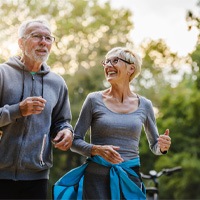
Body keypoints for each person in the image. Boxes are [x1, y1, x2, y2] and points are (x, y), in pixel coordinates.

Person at [53, 47, 171, 200]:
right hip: (96, 179)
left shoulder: (145, 105)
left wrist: (162, 147)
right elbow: (74, 141)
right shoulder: (93, 100)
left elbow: (155, 146)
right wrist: (96, 149)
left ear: (131, 68)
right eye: (106, 62)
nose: (108, 65)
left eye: (115, 61)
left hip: (130, 178)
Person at [0, 19, 73, 199]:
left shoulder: (57, 83)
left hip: (37, 177)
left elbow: (62, 121)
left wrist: (66, 131)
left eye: (48, 38)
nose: (43, 42)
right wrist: (18, 110)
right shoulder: (2, 74)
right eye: (36, 36)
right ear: (21, 42)